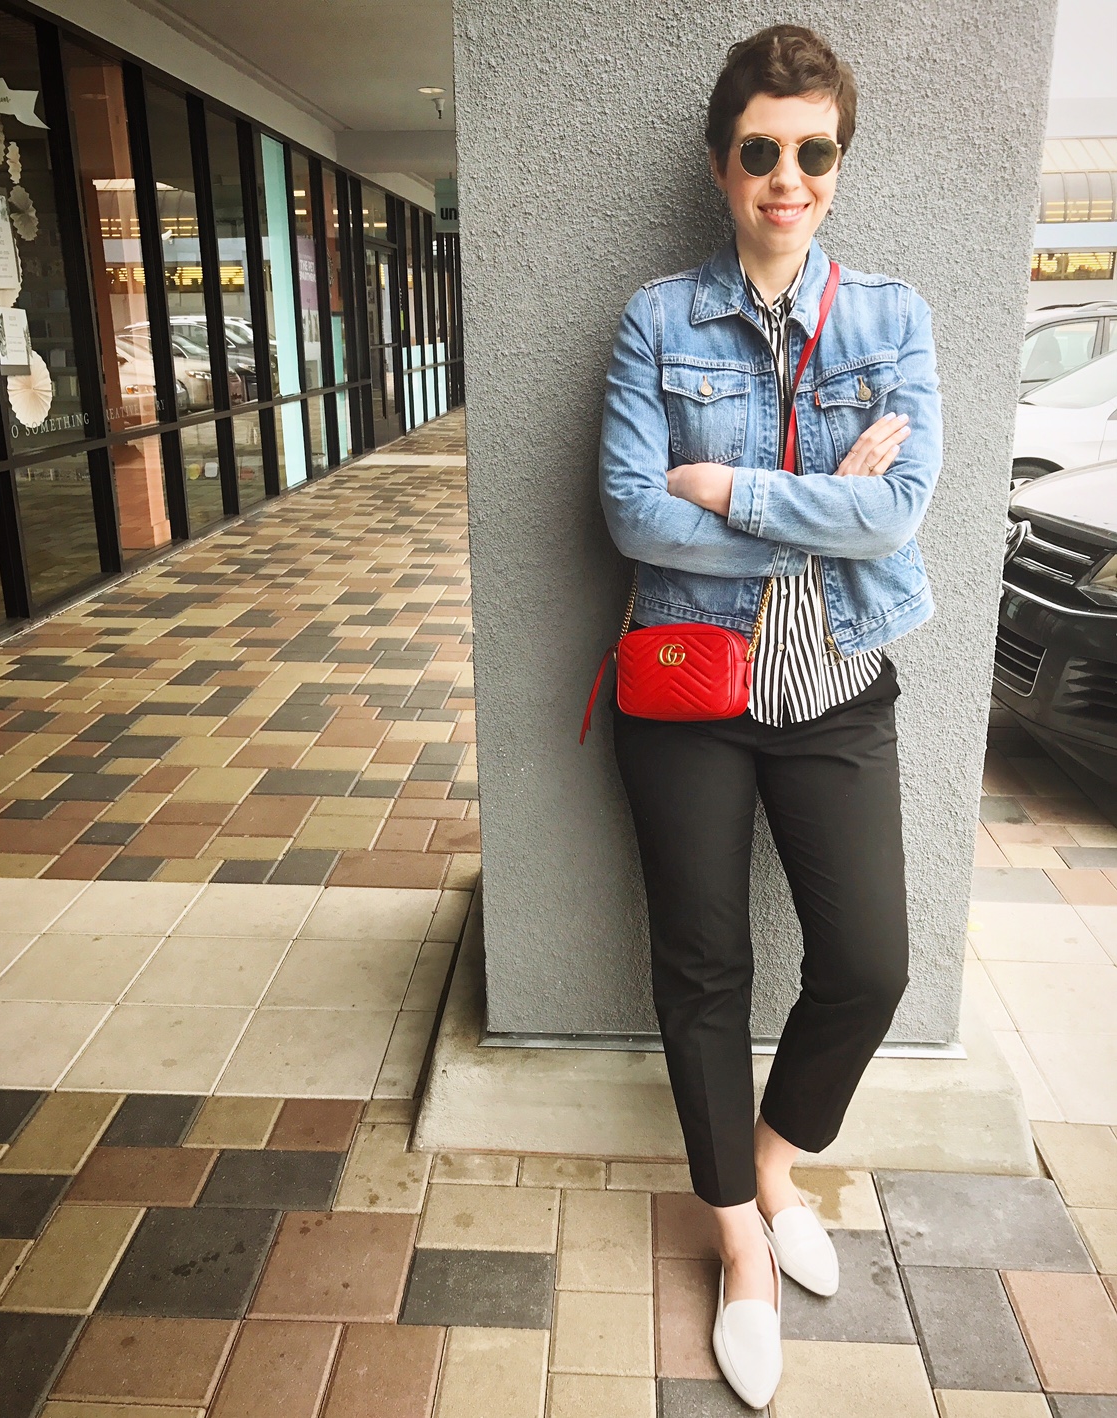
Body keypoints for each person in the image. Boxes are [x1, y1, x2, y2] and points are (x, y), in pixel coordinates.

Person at [597, 23, 942, 1409]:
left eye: (812, 152)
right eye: (760, 151)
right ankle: (737, 1238)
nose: (785, 177)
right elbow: (627, 511)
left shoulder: (891, 318)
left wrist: (723, 491)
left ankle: (774, 1160)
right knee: (702, 968)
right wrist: (823, 516)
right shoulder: (655, 319)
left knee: (866, 960)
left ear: (836, 167)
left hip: (834, 682)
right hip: (683, 685)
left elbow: (899, 514)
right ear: (719, 162)